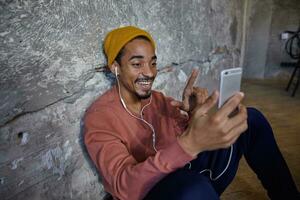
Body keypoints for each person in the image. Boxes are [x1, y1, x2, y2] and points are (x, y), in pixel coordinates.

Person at [84, 26, 299, 200]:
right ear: (115, 67)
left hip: (189, 177)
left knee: (252, 119)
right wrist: (189, 144)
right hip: (151, 192)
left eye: (153, 63)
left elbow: (186, 141)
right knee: (194, 187)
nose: (149, 72)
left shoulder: (158, 99)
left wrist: (194, 115)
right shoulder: (100, 117)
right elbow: (125, 188)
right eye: (137, 64)